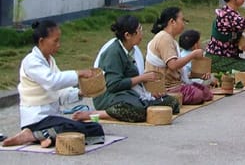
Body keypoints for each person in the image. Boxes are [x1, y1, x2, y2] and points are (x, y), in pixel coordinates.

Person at [2, 20, 104, 148]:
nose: (58, 45)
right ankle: (33, 135)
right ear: (41, 41)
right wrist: (78, 74)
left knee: (95, 128)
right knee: (71, 127)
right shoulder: (31, 62)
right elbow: (52, 82)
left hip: (52, 118)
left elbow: (60, 92)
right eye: (55, 41)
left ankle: (43, 137)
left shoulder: (50, 61)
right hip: (37, 119)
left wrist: (80, 92)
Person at [76, 16, 179, 123]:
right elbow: (113, 85)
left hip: (129, 94)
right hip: (110, 97)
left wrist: (150, 91)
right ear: (127, 35)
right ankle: (97, 114)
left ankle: (145, 106)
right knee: (138, 110)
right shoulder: (113, 52)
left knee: (172, 103)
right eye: (139, 30)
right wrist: (142, 78)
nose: (141, 33)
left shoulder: (133, 50)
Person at [145, 7, 212, 105]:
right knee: (199, 95)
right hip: (165, 88)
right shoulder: (164, 38)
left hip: (175, 83)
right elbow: (173, 65)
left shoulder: (169, 38)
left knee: (206, 93)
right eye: (182, 20)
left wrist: (197, 75)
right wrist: (193, 54)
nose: (184, 24)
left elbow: (175, 70)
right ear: (172, 21)